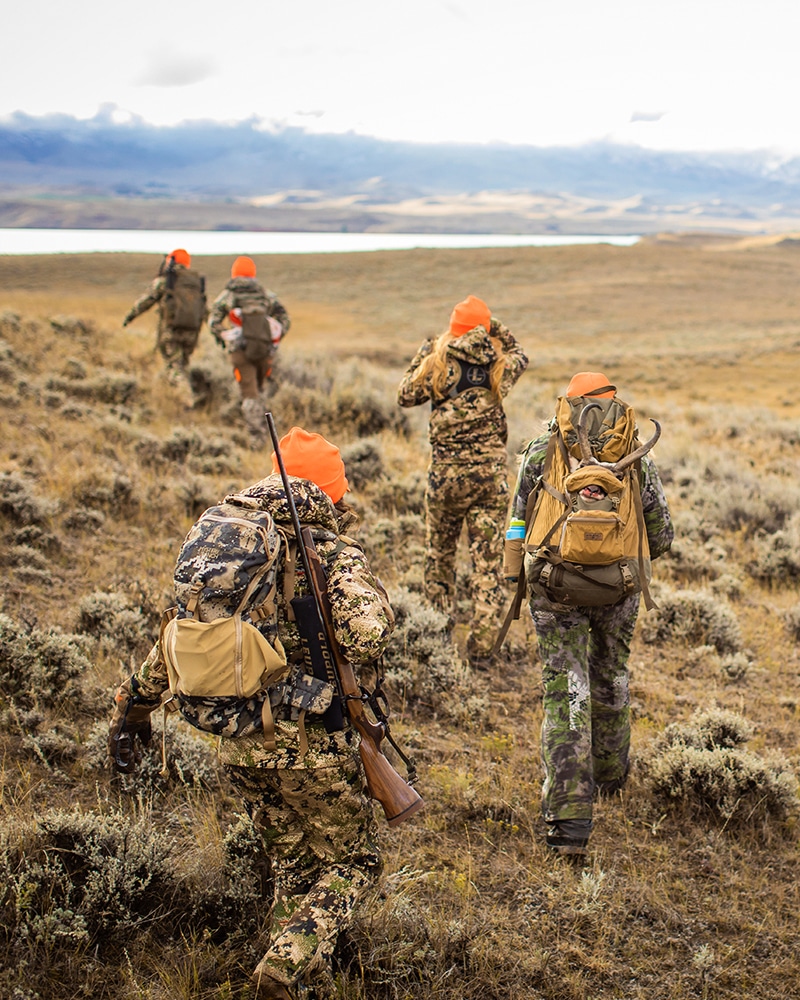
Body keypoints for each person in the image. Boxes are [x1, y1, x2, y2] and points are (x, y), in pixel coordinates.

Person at [107, 427, 394, 999]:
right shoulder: (328, 552)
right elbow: (367, 636)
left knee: (292, 865)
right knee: (356, 863)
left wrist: (131, 706)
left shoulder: (224, 548)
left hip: (239, 740)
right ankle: (287, 964)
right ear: (333, 493)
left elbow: (171, 644)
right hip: (313, 746)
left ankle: (295, 978)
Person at [509, 371, 673, 856]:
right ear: (613, 403)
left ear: (570, 403)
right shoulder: (636, 453)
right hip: (619, 588)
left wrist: (516, 568)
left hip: (553, 587)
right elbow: (662, 536)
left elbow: (518, 519)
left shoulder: (542, 450)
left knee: (566, 688)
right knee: (611, 675)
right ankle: (610, 777)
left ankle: (569, 822)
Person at [396, 294, 528, 669]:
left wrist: (425, 351)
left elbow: (405, 395)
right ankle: (482, 650)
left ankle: (436, 637)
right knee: (487, 564)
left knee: (439, 557)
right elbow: (521, 354)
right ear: (486, 329)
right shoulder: (497, 364)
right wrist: (495, 328)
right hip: (489, 480)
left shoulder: (438, 361)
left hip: (446, 479)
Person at [209, 256, 291, 446]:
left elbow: (213, 321)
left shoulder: (229, 295)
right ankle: (268, 431)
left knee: (250, 393)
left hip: (240, 353)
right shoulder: (264, 294)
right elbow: (284, 318)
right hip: (265, 350)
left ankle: (257, 439)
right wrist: (274, 338)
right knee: (262, 390)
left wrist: (226, 337)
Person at [122, 248, 207, 398]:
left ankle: (186, 399)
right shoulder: (195, 283)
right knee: (183, 365)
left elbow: (146, 301)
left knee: (174, 367)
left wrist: (129, 317)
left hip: (172, 332)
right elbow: (205, 310)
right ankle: (175, 398)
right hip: (192, 333)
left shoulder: (167, 281)